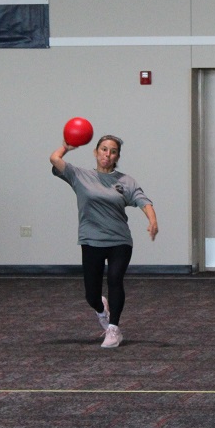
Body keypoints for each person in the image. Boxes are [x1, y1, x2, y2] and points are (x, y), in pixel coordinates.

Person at [51, 133, 158, 349]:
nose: (107, 154)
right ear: (96, 152)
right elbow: (54, 160)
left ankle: (113, 329)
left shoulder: (125, 181)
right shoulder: (79, 176)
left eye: (113, 151)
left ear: (117, 156)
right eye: (104, 149)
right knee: (91, 294)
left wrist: (153, 221)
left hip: (119, 240)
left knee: (115, 279)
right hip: (91, 240)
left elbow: (143, 201)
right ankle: (101, 310)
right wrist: (66, 147)